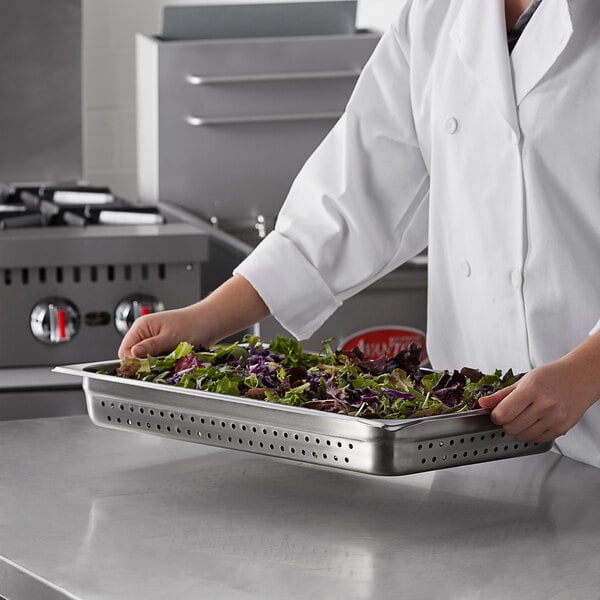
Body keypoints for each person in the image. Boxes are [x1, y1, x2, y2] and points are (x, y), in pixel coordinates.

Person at [120, 0, 600, 468]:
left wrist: (585, 373)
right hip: (477, 437)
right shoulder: (435, 15)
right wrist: (205, 319)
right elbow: (351, 199)